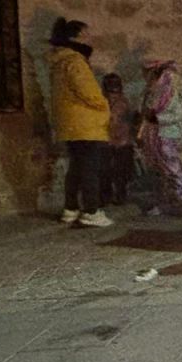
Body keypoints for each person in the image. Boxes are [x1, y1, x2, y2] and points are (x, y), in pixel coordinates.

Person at [48, 17, 113, 227]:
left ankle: (71, 208)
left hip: (70, 123)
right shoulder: (75, 61)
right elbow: (88, 91)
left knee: (76, 167)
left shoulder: (59, 61)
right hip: (85, 123)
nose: (90, 38)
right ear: (75, 37)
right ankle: (91, 211)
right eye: (86, 34)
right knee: (89, 168)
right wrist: (104, 105)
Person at [139, 59, 182, 215]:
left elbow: (178, 113)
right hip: (153, 136)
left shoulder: (170, 92)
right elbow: (145, 111)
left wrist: (158, 118)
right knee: (159, 171)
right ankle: (163, 204)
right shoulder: (151, 92)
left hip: (167, 136)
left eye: (149, 74)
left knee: (173, 169)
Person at [100, 73, 134, 206]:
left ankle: (116, 196)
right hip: (110, 140)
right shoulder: (120, 101)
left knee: (118, 171)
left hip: (119, 141)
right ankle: (110, 196)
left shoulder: (123, 101)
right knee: (108, 170)